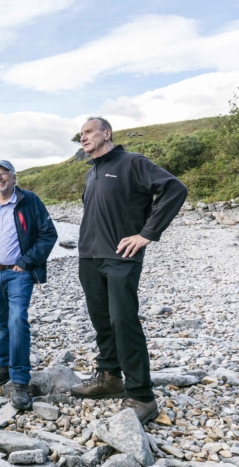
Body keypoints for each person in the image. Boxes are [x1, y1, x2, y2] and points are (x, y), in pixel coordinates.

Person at [72, 117, 188, 424]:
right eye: (80, 134)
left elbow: (175, 189)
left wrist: (147, 234)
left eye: (88, 132)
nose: (83, 138)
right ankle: (109, 378)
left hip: (121, 257)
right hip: (89, 258)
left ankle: (142, 397)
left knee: (124, 322)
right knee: (102, 321)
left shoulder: (132, 163)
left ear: (106, 133)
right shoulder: (92, 172)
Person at [0, 160, 57, 410]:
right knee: (0, 322)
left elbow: (48, 234)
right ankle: (5, 367)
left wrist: (26, 261)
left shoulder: (29, 200)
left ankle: (20, 381)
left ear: (14, 178)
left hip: (18, 273)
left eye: (3, 174)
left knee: (17, 321)